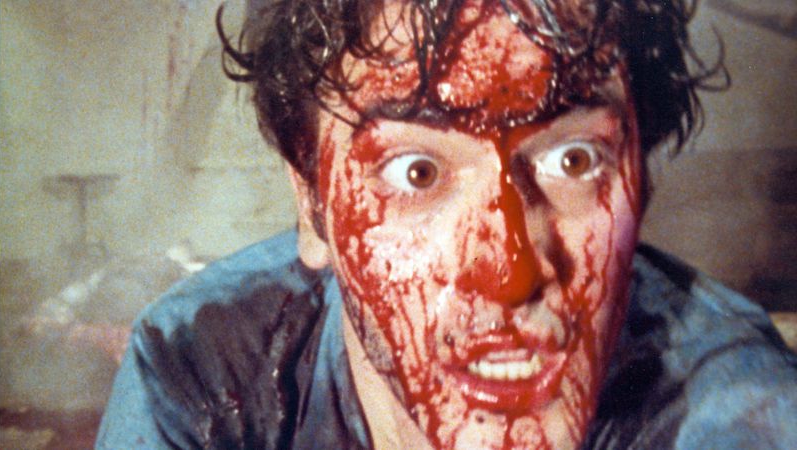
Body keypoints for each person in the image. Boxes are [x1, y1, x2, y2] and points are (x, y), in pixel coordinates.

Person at [97, 0, 797, 448]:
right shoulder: (202, 371)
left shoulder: (738, 408)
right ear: (312, 206)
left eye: (574, 159)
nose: (509, 272)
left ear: (640, 181)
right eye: (416, 172)